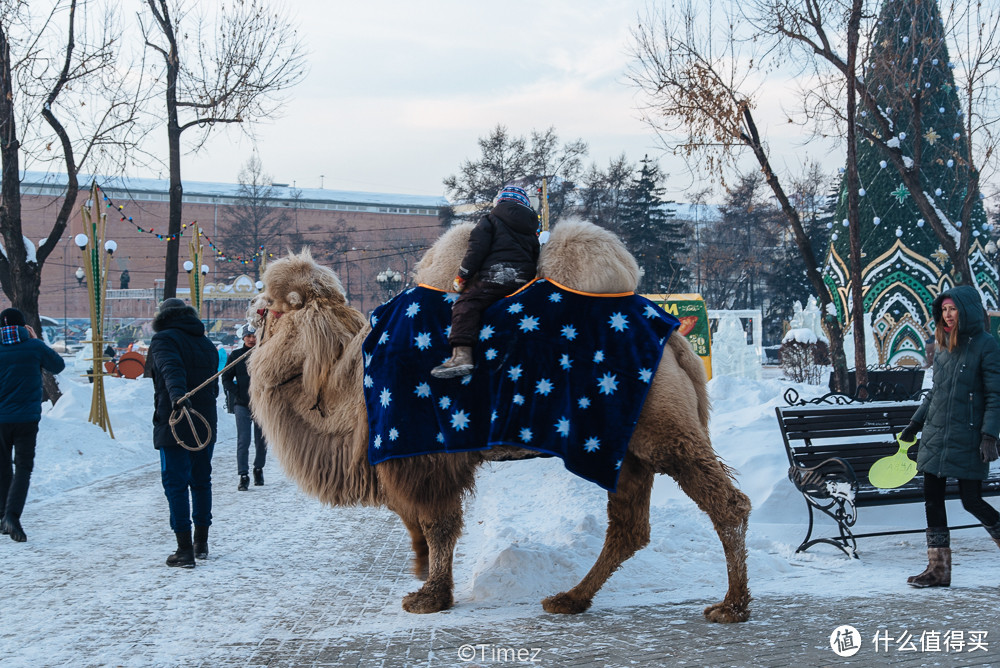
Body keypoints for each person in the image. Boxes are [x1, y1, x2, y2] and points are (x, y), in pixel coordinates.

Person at [898, 285, 1000, 588]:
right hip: (936, 434)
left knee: (971, 500)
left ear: (966, 310)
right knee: (932, 498)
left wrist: (989, 436)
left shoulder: (987, 345)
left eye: (952, 309)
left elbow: (995, 395)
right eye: (943, 309)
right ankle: (938, 569)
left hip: (968, 436)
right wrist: (915, 424)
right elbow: (935, 393)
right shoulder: (942, 345)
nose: (948, 315)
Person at [431, 184, 540, 378]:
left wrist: (462, 277)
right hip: (524, 282)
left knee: (466, 305)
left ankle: (462, 356)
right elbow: (535, 256)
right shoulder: (531, 230)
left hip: (496, 278)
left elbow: (476, 251)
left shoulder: (490, 220)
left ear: (499, 202)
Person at [149, 298, 219, 568]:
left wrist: (178, 396)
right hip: (204, 423)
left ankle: (184, 550)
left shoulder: (164, 339)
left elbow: (170, 369)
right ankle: (201, 543)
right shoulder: (206, 342)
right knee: (201, 481)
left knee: (175, 484)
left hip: (176, 420)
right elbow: (212, 386)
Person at [0, 308, 65, 542]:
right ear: (23, 326)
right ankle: (12, 516)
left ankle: (2, 516)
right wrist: (37, 340)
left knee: (3, 467)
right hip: (26, 418)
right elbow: (58, 366)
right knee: (23, 467)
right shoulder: (34, 347)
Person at [222, 324, 267, 491]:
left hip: (261, 404)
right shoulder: (236, 355)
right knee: (243, 440)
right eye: (248, 336)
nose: (251, 339)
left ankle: (258, 468)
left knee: (261, 440)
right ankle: (243, 475)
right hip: (242, 404)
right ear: (243, 337)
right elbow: (226, 378)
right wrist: (237, 393)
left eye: (254, 335)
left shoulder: (264, 354)